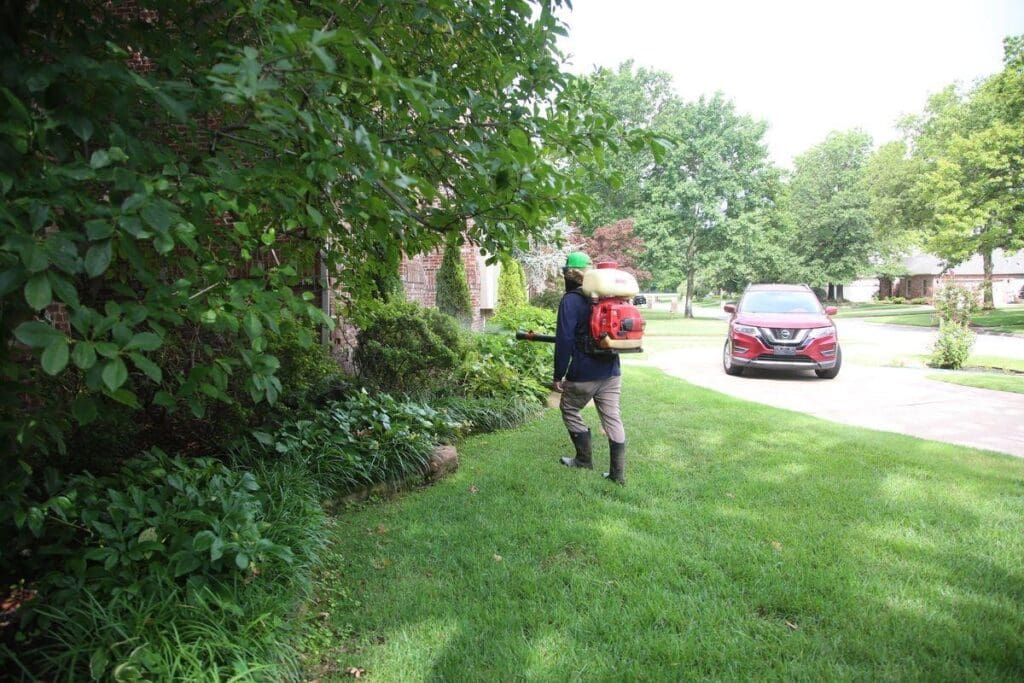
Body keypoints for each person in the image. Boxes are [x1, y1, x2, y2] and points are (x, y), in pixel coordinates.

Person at [553, 251, 627, 484]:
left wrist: (558, 374)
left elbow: (565, 340)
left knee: (569, 408)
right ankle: (617, 475)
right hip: (611, 370)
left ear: (568, 274)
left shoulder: (571, 300)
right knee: (612, 417)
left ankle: (584, 460)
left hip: (583, 373)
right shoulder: (610, 296)